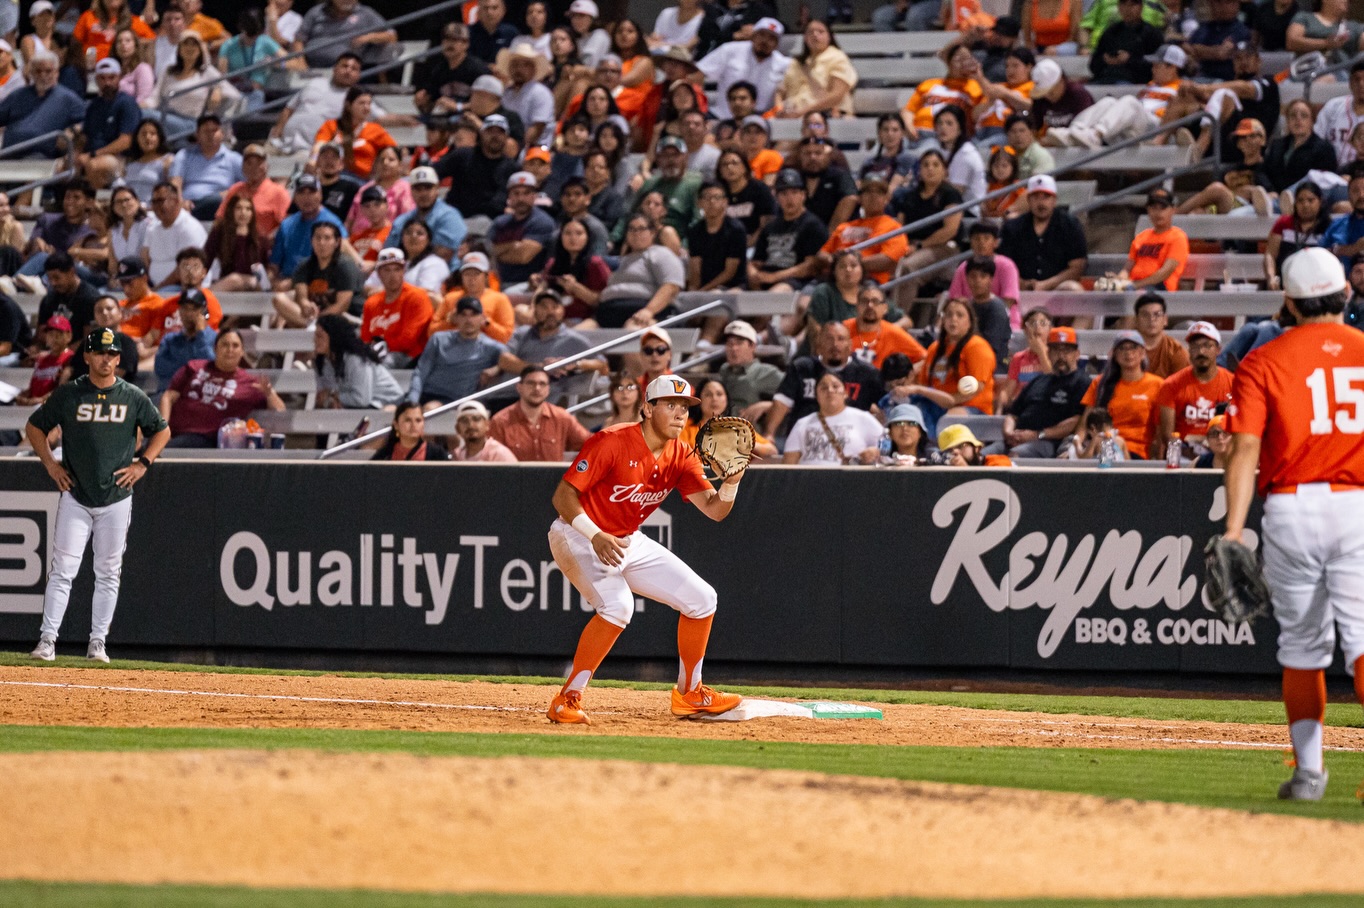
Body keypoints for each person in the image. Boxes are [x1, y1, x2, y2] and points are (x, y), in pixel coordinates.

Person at [1218, 246, 1364, 801]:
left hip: (1292, 509)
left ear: (1288, 301)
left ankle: (1309, 775)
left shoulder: (1265, 359)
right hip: (1358, 505)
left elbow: (1246, 446)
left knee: (1302, 648)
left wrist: (1234, 529)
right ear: (1345, 293)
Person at [545, 373, 746, 724]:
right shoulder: (611, 441)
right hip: (577, 533)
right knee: (618, 606)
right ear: (646, 408)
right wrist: (594, 535)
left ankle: (690, 694)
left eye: (685, 406)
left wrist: (730, 483)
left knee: (702, 599)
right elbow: (562, 497)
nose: (680, 413)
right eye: (670, 404)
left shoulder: (682, 454)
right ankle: (568, 698)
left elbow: (715, 511)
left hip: (625, 537)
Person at [26, 328, 169, 664]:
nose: (107, 359)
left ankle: (98, 642)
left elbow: (161, 430)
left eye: (113, 354)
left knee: (108, 571)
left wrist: (143, 464)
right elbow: (34, 427)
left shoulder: (132, 395)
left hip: (116, 495)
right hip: (76, 493)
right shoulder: (69, 394)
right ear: (87, 357)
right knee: (63, 569)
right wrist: (50, 464)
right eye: (101, 353)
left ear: (119, 358)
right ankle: (48, 640)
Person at [159, 329, 284, 447]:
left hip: (207, 438)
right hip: (173, 434)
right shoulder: (194, 367)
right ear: (215, 349)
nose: (230, 350)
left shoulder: (250, 383)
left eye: (235, 346)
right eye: (225, 345)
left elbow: (280, 411)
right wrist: (163, 430)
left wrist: (269, 394)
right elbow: (168, 396)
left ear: (242, 352)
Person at [985, 325, 1089, 458]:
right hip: (1016, 438)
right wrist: (1009, 431)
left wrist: (1037, 434)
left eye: (1067, 351)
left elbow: (1077, 420)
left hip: (1048, 442)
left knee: (1015, 455)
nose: (1061, 356)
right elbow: (1013, 414)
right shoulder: (1039, 380)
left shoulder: (1082, 382)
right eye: (1056, 350)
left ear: (1077, 354)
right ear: (1049, 353)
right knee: (982, 456)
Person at [763, 322, 882, 435]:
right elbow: (782, 402)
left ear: (850, 345)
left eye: (841, 339)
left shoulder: (867, 373)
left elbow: (886, 404)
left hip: (851, 439)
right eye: (829, 339)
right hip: (804, 437)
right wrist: (769, 434)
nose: (835, 344)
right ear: (818, 344)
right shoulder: (802, 367)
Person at [906, 297, 996, 437]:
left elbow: (976, 388)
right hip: (936, 404)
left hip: (971, 407)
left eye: (960, 315)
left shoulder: (977, 346)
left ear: (969, 322)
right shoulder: (934, 348)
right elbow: (923, 383)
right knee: (908, 415)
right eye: (949, 314)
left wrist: (949, 400)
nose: (953, 319)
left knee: (949, 420)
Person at [889, 150, 965, 310]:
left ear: (944, 170)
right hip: (910, 246)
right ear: (919, 170)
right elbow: (900, 227)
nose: (930, 169)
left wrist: (920, 245)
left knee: (908, 267)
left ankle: (897, 318)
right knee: (885, 263)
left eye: (935, 165)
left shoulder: (951, 195)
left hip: (943, 248)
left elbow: (950, 230)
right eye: (926, 165)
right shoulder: (910, 195)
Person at [494, 290, 602, 401]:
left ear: (562, 311)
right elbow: (504, 361)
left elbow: (603, 366)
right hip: (505, 396)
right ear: (534, 311)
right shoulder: (522, 333)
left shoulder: (574, 340)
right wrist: (542, 369)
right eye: (544, 307)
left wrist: (576, 365)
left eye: (555, 307)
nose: (550, 312)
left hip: (539, 401)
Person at [1154, 321, 1234, 457]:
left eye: (1207, 346)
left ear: (1218, 349)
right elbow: (1167, 436)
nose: (1201, 352)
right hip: (1184, 452)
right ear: (1189, 350)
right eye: (1195, 347)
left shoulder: (1233, 383)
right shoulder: (1172, 384)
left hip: (1222, 447)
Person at [408, 297, 506, 408]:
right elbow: (421, 372)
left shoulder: (491, 347)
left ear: (483, 318)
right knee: (389, 410)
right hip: (425, 394)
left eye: (473, 315)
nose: (468, 320)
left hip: (454, 402)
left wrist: (497, 368)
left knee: (430, 408)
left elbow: (514, 359)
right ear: (456, 318)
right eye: (463, 315)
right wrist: (412, 402)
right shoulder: (438, 339)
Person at [1080, 330, 1162, 457]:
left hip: (1137, 452)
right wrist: (1075, 449)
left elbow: (1160, 432)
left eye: (1133, 348)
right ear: (1115, 354)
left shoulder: (1157, 385)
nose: (1128, 353)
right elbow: (1085, 425)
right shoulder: (1101, 383)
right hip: (1102, 447)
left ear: (1142, 352)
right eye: (1122, 348)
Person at [998, 175, 1086, 293]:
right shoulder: (1013, 227)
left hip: (1058, 289)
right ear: (1028, 200)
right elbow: (1003, 264)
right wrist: (1022, 283)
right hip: (1019, 289)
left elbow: (1077, 266)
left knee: (1072, 288)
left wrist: (1045, 285)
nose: (1041, 203)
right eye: (1036, 197)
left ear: (1054, 200)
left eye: (1046, 197)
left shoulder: (1070, 225)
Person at [598, 213, 684, 329]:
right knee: (576, 334)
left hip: (645, 313)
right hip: (607, 313)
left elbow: (671, 286)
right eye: (632, 229)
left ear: (652, 233)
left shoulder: (661, 254)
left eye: (641, 229)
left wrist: (649, 310)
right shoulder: (623, 260)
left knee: (632, 330)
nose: (636, 233)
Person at [817, 177, 908, 287]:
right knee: (805, 300)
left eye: (879, 192)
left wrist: (847, 265)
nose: (873, 196)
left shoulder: (893, 228)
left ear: (887, 198)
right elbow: (822, 253)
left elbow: (888, 260)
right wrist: (833, 262)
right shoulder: (844, 227)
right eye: (868, 192)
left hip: (868, 281)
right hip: (833, 279)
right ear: (860, 198)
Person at [489, 365, 591, 462]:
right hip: (513, 480)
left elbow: (592, 444)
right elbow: (489, 457)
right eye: (531, 383)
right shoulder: (500, 421)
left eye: (542, 384)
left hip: (554, 480)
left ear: (548, 389)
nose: (537, 388)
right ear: (519, 387)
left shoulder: (562, 417)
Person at [750, 168, 829, 292]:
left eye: (794, 192)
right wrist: (753, 275)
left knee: (774, 295)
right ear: (776, 197)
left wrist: (774, 277)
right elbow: (756, 261)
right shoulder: (770, 227)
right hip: (766, 276)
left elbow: (810, 266)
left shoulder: (812, 225)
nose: (789, 198)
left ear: (803, 195)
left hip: (795, 281)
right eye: (784, 194)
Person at [695, 16, 789, 120]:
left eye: (771, 38)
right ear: (753, 36)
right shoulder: (730, 50)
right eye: (761, 35)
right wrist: (700, 105)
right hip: (722, 116)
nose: (765, 41)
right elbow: (698, 73)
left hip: (761, 122)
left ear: (777, 44)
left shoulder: (784, 64)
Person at [782, 371, 883, 466]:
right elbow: (789, 463)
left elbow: (888, 446)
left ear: (845, 393)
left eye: (835, 386)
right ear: (816, 396)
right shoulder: (802, 424)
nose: (830, 390)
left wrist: (874, 451)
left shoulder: (863, 418)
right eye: (824, 388)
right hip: (809, 481)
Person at [274, 221, 364, 327]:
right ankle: (312, 326)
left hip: (346, 317)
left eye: (327, 238)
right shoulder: (304, 265)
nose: (321, 243)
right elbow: (301, 296)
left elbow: (342, 305)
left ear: (337, 242)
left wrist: (319, 319)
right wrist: (306, 304)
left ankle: (314, 326)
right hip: (313, 317)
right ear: (311, 241)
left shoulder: (345, 265)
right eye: (318, 238)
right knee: (279, 298)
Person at [0, 51, 84, 160]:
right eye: (38, 71)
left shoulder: (67, 98)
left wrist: (73, 130)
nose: (43, 75)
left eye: (48, 71)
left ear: (56, 73)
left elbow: (88, 120)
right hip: (9, 152)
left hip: (40, 155)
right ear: (32, 73)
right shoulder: (18, 95)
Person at [152, 30, 236, 138]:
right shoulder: (169, 71)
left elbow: (234, 94)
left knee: (146, 116)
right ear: (179, 49)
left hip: (189, 121)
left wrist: (218, 89)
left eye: (194, 45)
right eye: (185, 44)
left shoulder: (206, 71)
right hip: (165, 114)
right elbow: (155, 96)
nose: (189, 48)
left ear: (200, 49)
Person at [901, 43, 984, 148]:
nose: (963, 63)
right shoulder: (929, 84)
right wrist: (909, 127)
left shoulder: (975, 87)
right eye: (958, 59)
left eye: (966, 59)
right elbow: (908, 110)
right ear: (949, 63)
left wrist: (979, 77)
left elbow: (979, 114)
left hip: (948, 138)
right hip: (918, 132)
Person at [314, 314, 403, 410]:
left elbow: (362, 399)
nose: (315, 340)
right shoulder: (323, 362)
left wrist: (334, 395)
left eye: (320, 336)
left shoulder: (355, 360)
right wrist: (330, 399)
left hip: (388, 402)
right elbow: (326, 394)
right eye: (315, 335)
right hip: (363, 405)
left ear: (334, 337)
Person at [361, 248, 432, 368]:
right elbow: (365, 337)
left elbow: (408, 341)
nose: (392, 275)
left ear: (403, 272)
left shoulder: (417, 297)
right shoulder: (371, 302)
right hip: (378, 353)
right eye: (387, 270)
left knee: (382, 363)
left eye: (397, 270)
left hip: (411, 357)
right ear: (379, 273)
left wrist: (380, 345)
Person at [76, 58, 140, 190]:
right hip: (92, 153)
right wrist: (76, 153)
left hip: (119, 157)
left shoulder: (127, 103)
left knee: (94, 165)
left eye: (112, 78)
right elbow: (84, 136)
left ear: (119, 78)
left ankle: (97, 203)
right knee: (61, 166)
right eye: (102, 78)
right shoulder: (94, 105)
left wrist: (93, 155)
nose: (107, 82)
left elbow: (125, 141)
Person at [268, 175, 344, 285]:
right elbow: (275, 264)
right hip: (284, 280)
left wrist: (295, 282)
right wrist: (268, 279)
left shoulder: (333, 224)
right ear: (294, 197)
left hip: (317, 282)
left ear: (320, 195)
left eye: (311, 192)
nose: (306, 197)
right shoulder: (286, 224)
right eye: (301, 192)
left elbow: (336, 264)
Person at [774, 19, 856, 120]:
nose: (815, 35)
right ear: (805, 38)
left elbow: (837, 95)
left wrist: (803, 112)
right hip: (790, 114)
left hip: (823, 116)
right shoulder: (796, 62)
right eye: (810, 32)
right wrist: (779, 110)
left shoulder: (838, 58)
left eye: (821, 32)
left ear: (829, 37)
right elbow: (780, 92)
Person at [490, 171, 557, 293]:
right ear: (509, 197)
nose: (521, 198)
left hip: (528, 285)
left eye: (526, 193)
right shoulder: (500, 222)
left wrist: (498, 252)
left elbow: (522, 256)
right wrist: (514, 245)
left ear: (535, 196)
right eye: (516, 193)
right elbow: (488, 252)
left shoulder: (542, 222)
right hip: (498, 282)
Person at [386, 166, 467, 262]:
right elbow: (389, 253)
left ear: (437, 189)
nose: (423, 193)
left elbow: (444, 254)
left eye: (428, 188)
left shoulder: (450, 216)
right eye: (418, 189)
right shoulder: (401, 221)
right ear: (411, 191)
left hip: (445, 273)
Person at [1268, 102, 1338, 211]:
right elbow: (1263, 171)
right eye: (1293, 116)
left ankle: (1277, 204)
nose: (1298, 119)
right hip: (1275, 195)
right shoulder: (1277, 145)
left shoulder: (1324, 148)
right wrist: (1270, 190)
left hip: (1307, 202)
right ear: (1287, 121)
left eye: (1304, 115)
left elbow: (1325, 182)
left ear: (1312, 121)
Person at [432, 253, 515, 343]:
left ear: (486, 276)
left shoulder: (499, 299)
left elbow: (507, 336)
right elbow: (431, 332)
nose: (472, 279)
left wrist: (487, 324)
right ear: (461, 276)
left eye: (476, 274)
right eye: (467, 274)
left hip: (487, 351)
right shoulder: (450, 298)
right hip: (453, 348)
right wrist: (450, 322)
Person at [293, 0, 395, 70]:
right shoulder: (316, 12)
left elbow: (391, 35)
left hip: (346, 70)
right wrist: (301, 63)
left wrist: (368, 37)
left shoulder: (365, 13)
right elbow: (299, 40)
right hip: (311, 68)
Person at [1266, 184, 1332, 291]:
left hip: (1317, 286)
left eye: (1311, 200)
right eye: (1300, 201)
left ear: (1320, 202)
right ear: (1295, 204)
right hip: (1285, 282)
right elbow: (1270, 254)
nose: (1305, 205)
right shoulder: (1283, 223)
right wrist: (1271, 277)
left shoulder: (1328, 227)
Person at [415, 22, 490, 116]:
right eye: (446, 40)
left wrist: (458, 106)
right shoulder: (438, 70)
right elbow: (430, 107)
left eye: (455, 40)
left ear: (466, 44)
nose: (449, 44)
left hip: (472, 119)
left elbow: (488, 104)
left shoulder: (478, 69)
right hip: (447, 121)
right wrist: (422, 103)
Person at [845, 283, 926, 370]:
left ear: (885, 308)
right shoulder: (843, 329)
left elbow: (925, 359)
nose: (870, 306)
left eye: (875, 301)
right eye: (865, 301)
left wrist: (906, 375)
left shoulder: (893, 332)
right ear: (857, 306)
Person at [143, 182, 208, 289]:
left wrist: (157, 289)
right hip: (155, 286)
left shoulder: (189, 228)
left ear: (176, 201)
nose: (156, 206)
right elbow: (144, 257)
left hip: (184, 286)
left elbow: (186, 268)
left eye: (161, 201)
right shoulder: (152, 228)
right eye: (154, 202)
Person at [687, 181, 748, 293]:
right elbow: (695, 267)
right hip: (705, 286)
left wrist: (704, 290)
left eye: (717, 197)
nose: (712, 202)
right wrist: (694, 289)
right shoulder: (695, 231)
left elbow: (729, 272)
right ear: (699, 202)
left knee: (716, 294)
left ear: (725, 202)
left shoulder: (736, 230)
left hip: (732, 286)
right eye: (707, 198)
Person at [152, 289, 217, 392]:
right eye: (185, 308)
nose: (189, 314)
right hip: (169, 394)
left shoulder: (215, 338)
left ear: (204, 311)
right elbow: (160, 369)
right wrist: (192, 368)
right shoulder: (169, 339)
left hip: (200, 396)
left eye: (194, 309)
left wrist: (200, 336)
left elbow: (211, 370)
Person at [716, 320, 781, 416]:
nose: (734, 348)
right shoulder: (724, 370)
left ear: (752, 346)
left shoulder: (767, 372)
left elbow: (794, 395)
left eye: (739, 343)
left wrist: (767, 405)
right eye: (730, 344)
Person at [1090, 0, 1164, 84]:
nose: (1128, 9)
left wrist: (1129, 60)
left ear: (1141, 7)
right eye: (1124, 4)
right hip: (1105, 77)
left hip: (1134, 81)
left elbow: (1156, 65)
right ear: (1119, 7)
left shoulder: (1151, 33)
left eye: (1132, 5)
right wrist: (1105, 59)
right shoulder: (1111, 32)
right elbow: (1093, 64)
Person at [68, 296, 137, 383]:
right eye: (99, 311)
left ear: (120, 313)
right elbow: (70, 370)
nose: (104, 313)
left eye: (109, 308)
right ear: (95, 317)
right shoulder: (88, 342)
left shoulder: (126, 343)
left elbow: (116, 374)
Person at [1311, 59, 1364, 169]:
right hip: (1329, 174)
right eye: (1357, 79)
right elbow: (1315, 141)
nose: (1361, 84)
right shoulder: (1333, 106)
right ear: (1350, 83)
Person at [38, 252, 100, 343]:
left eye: (57, 278)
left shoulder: (90, 298)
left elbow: (89, 340)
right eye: (49, 278)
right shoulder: (49, 299)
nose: (53, 283)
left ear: (72, 272)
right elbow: (41, 333)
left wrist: (63, 354)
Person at [1027, 57, 1095, 138]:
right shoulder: (1040, 99)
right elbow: (1035, 126)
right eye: (1044, 93)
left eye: (1051, 92)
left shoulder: (1078, 94)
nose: (1047, 96)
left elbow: (1085, 126)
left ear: (1061, 80)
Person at [1286, 0, 1364, 66]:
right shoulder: (1305, 17)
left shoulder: (1354, 27)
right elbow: (1292, 41)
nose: (1345, 1)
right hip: (1309, 70)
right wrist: (1326, 43)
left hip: (1343, 72)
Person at [1132, 291, 1191, 377]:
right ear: (1136, 320)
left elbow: (1182, 385)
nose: (1151, 319)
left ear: (1165, 319)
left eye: (1157, 314)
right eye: (1145, 315)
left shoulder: (1175, 350)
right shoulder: (1126, 349)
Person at [19, 316, 74, 406]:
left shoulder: (70, 358)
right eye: (51, 335)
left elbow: (64, 389)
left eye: (58, 335)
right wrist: (24, 395)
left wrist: (41, 400)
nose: (54, 339)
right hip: (35, 406)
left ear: (69, 336)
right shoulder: (41, 358)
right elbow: (35, 385)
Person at [371, 402, 452, 461]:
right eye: (408, 420)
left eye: (418, 420)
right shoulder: (385, 454)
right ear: (396, 425)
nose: (413, 425)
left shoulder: (437, 454)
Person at [451, 400, 517, 462]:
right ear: (457, 429)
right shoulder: (457, 455)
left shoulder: (499, 453)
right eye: (464, 420)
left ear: (487, 425)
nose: (470, 425)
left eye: (476, 419)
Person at [936, 422, 1013, 466]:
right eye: (949, 450)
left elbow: (993, 488)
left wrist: (964, 470)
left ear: (977, 448)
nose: (955, 452)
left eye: (961, 446)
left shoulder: (999, 461)